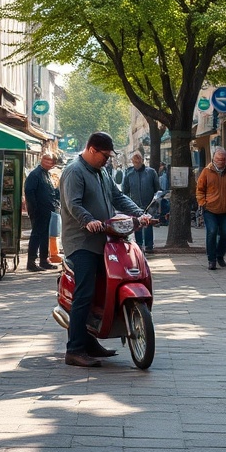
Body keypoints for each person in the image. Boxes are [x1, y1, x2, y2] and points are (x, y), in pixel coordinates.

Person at [60, 131, 153, 367]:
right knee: (85, 292)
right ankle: (75, 349)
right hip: (82, 242)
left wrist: (140, 214)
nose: (107, 160)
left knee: (100, 290)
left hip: (104, 240)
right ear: (92, 150)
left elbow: (117, 197)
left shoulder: (101, 172)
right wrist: (88, 220)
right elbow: (74, 204)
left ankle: (91, 341)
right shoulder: (74, 171)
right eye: (104, 155)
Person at [195, 146, 226, 271]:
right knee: (212, 231)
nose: (221, 162)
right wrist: (203, 203)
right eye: (218, 159)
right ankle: (212, 259)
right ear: (213, 159)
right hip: (210, 209)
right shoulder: (206, 171)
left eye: (223, 159)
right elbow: (200, 189)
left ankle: (220, 255)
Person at [23, 151, 60, 271]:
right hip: (38, 210)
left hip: (47, 210)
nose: (48, 163)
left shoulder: (47, 174)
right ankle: (31, 262)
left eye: (51, 161)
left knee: (44, 236)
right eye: (46, 160)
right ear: (41, 160)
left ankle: (44, 260)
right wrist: (34, 208)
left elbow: (50, 191)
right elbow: (29, 192)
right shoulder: (35, 174)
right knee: (36, 235)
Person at [123, 151, 160, 252]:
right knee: (137, 225)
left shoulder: (151, 172)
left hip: (149, 204)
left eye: (138, 159)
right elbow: (124, 191)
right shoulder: (129, 173)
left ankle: (149, 245)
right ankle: (139, 245)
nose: (137, 161)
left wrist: (155, 201)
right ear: (132, 161)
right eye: (135, 160)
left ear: (142, 160)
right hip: (134, 204)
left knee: (148, 224)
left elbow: (157, 189)